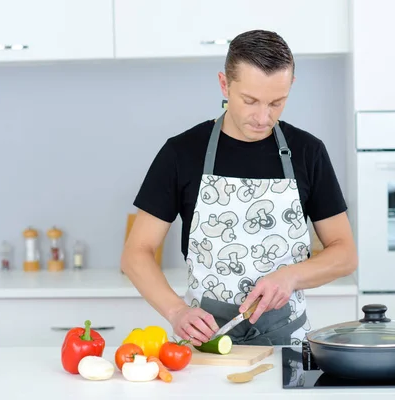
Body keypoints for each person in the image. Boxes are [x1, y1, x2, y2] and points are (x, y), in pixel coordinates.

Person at [121, 29, 358, 347]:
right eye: (250, 101)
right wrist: (176, 311)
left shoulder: (308, 152)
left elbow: (345, 254)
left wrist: (291, 276)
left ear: (291, 87)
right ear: (224, 84)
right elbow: (136, 253)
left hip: (287, 340)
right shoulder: (182, 152)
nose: (263, 117)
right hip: (204, 339)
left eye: (277, 102)